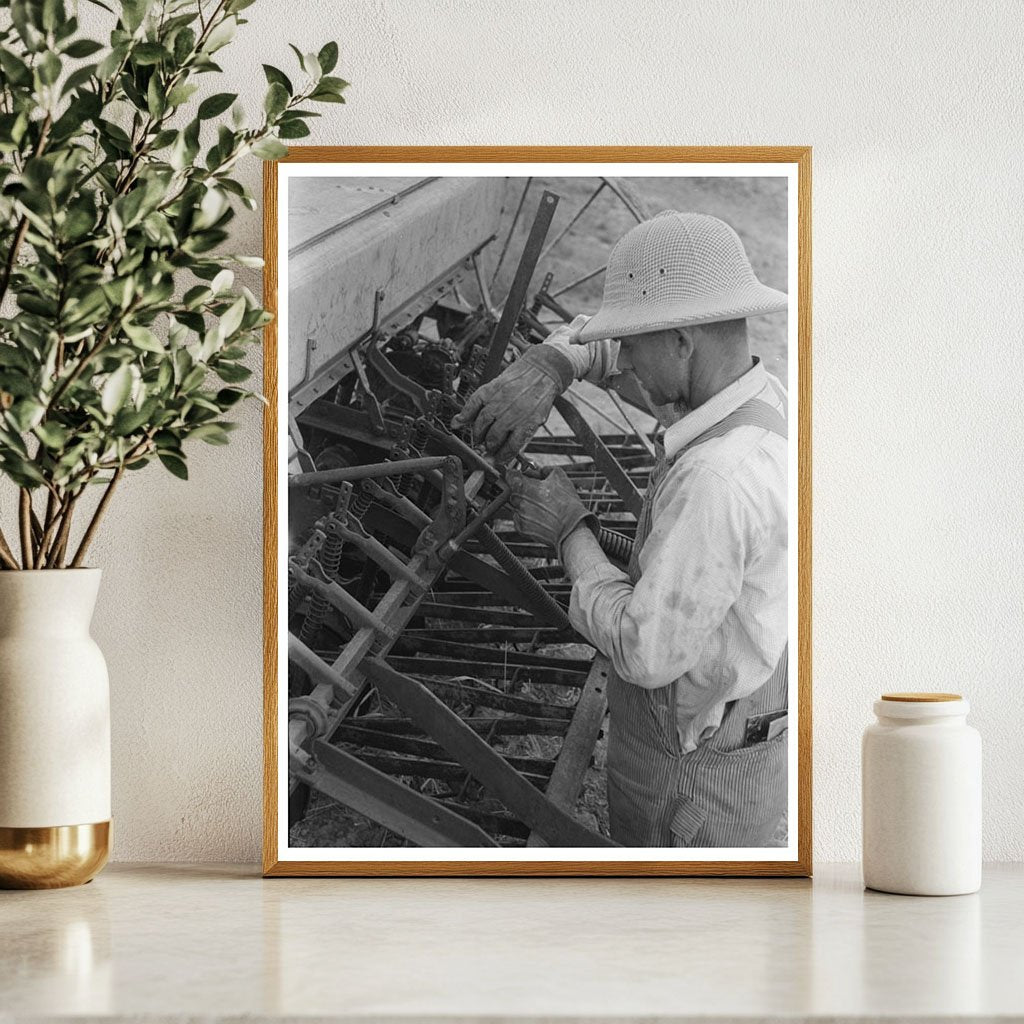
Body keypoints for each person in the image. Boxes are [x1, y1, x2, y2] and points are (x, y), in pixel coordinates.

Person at [452, 211, 790, 847]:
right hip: (736, 726)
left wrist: (569, 532)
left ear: (684, 341)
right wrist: (555, 363)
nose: (625, 364)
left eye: (635, 346)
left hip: (692, 785)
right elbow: (612, 352)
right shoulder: (754, 394)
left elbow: (644, 652)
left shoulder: (715, 482)